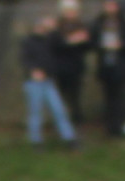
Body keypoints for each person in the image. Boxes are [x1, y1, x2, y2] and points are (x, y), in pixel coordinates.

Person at [24, 15, 81, 147]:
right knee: (36, 113)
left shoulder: (50, 39)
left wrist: (75, 38)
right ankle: (36, 141)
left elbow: (63, 44)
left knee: (59, 110)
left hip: (49, 82)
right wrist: (33, 71)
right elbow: (25, 60)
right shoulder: (28, 41)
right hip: (34, 84)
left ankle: (69, 138)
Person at [94, 0, 125, 135]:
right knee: (108, 97)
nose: (110, 8)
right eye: (107, 5)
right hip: (106, 65)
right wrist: (102, 45)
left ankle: (120, 126)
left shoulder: (124, 22)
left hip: (120, 65)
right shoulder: (99, 22)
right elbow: (93, 41)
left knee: (120, 97)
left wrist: (121, 44)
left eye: (112, 5)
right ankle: (110, 126)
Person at [56, 0, 96, 122]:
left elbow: (89, 46)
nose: (70, 14)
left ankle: (76, 121)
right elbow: (56, 45)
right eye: (68, 11)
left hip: (76, 67)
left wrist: (84, 40)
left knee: (75, 97)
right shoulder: (58, 27)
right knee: (61, 96)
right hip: (61, 68)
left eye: (72, 11)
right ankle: (62, 122)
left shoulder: (81, 26)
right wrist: (71, 41)